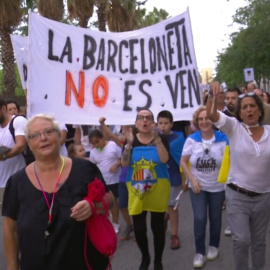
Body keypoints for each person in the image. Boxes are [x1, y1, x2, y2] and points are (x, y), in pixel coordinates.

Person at [2, 114, 114, 270]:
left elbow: (110, 199)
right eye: (35, 135)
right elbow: (10, 229)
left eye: (49, 131)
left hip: (86, 263)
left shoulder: (84, 168)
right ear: (28, 143)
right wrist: (12, 266)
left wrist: (93, 205)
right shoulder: (16, 182)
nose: (43, 138)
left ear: (59, 135)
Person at [207, 81, 270, 270]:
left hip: (264, 197)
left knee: (259, 242)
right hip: (237, 196)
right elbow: (212, 115)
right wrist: (212, 96)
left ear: (260, 111)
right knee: (242, 240)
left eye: (253, 106)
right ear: (240, 112)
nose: (249, 110)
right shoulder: (234, 127)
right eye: (245, 108)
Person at [121, 109, 170, 270]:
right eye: (141, 118)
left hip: (157, 189)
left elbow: (164, 159)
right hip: (137, 191)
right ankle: (146, 257)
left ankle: (158, 261)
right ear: (136, 123)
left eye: (148, 118)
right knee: (140, 230)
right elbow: (124, 164)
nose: (145, 121)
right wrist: (128, 145)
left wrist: (157, 140)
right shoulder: (131, 140)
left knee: (157, 228)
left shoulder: (161, 138)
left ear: (153, 123)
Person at [180, 106, 227, 269]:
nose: (204, 122)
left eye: (207, 118)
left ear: (213, 120)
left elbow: (229, 162)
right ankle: (199, 252)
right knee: (200, 218)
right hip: (198, 187)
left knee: (215, 218)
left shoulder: (222, 139)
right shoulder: (191, 140)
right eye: (200, 119)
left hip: (218, 187)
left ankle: (214, 245)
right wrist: (191, 179)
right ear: (196, 122)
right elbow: (183, 162)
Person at [157, 110, 185, 250]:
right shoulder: (152, 138)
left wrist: (185, 178)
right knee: (160, 206)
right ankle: (163, 218)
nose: (163, 126)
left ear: (171, 124)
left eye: (166, 123)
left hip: (173, 176)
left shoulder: (178, 139)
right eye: (160, 123)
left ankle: (174, 235)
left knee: (172, 206)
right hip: (157, 177)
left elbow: (183, 159)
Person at [89, 129, 122, 234]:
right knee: (104, 204)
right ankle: (107, 223)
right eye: (93, 143)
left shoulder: (112, 145)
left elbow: (123, 158)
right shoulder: (93, 151)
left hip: (114, 179)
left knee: (114, 202)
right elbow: (92, 166)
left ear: (103, 138)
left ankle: (116, 224)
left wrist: (116, 165)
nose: (96, 145)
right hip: (102, 181)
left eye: (97, 141)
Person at [0, 98, 27, 208]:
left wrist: (4, 156)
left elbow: (20, 145)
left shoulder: (18, 121)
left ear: (3, 108)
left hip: (16, 181)